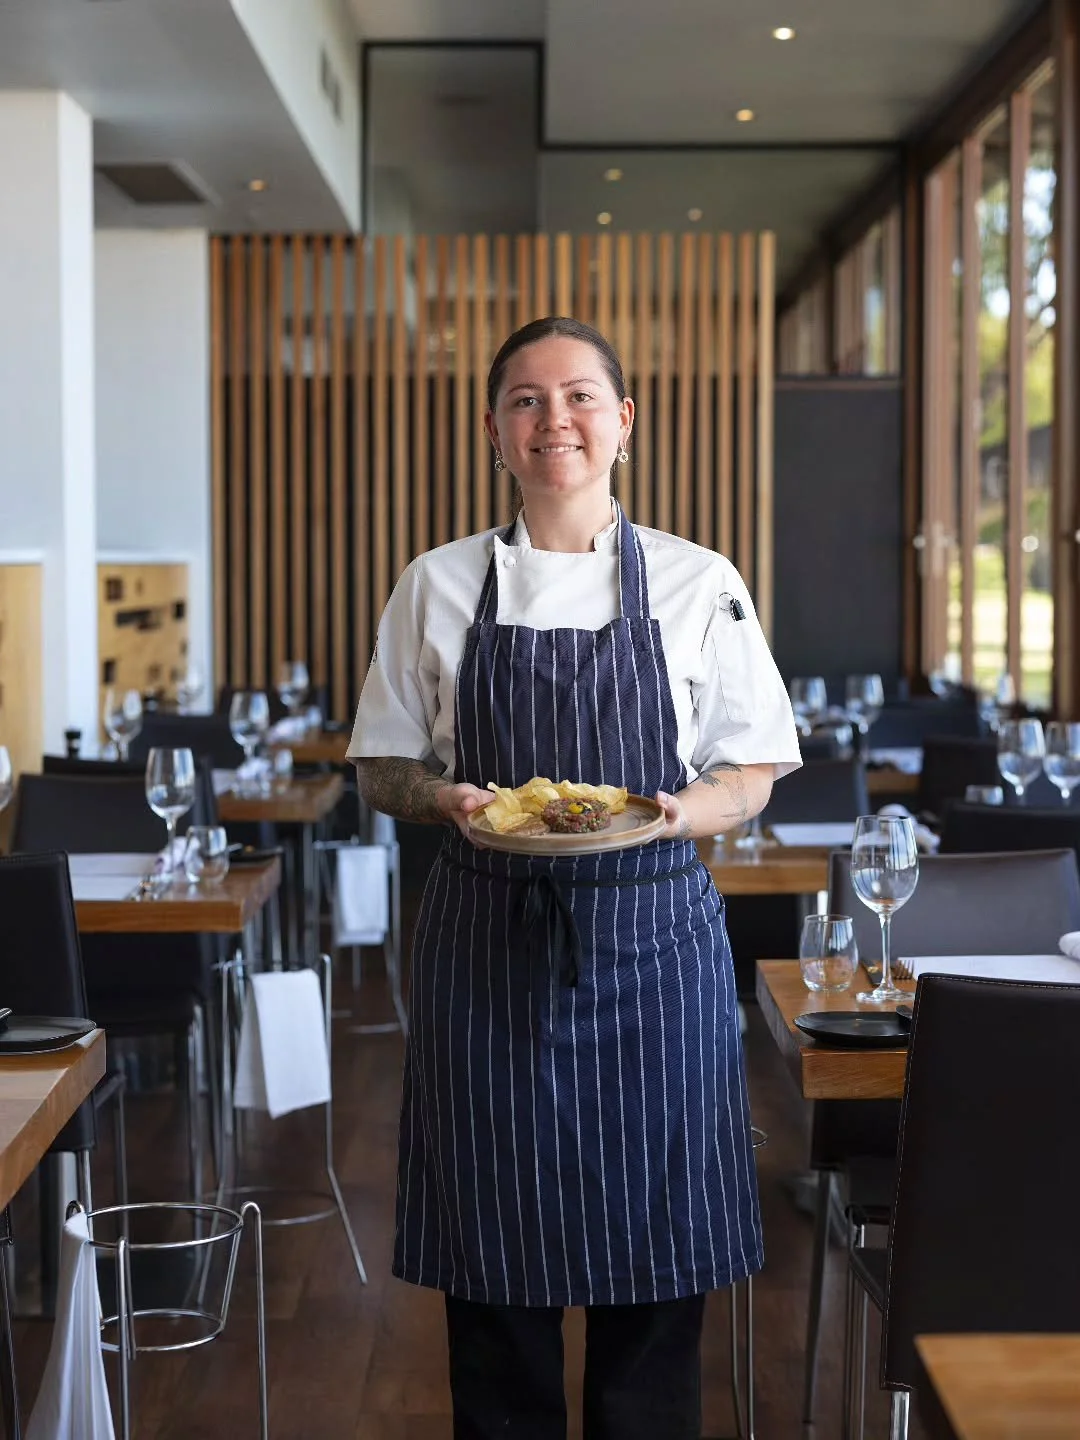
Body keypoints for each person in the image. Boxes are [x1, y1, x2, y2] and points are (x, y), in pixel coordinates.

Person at [348, 316, 801, 1439]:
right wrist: (444, 797)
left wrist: (675, 814)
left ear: (623, 422)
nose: (557, 420)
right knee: (496, 1289)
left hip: (655, 946)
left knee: (655, 1289)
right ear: (496, 432)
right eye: (526, 401)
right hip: (486, 946)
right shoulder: (439, 584)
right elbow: (384, 767)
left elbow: (752, 771)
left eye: (581, 397)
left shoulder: (701, 583)